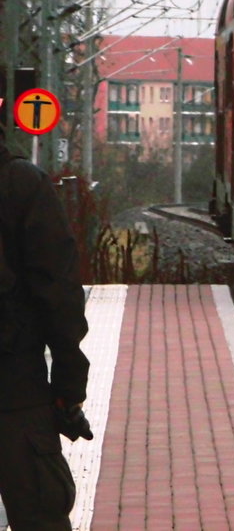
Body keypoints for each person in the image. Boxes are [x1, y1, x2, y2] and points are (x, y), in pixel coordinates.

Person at [0, 123, 91, 531]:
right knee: (40, 512)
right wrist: (68, 389)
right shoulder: (21, 184)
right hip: (14, 392)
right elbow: (58, 292)